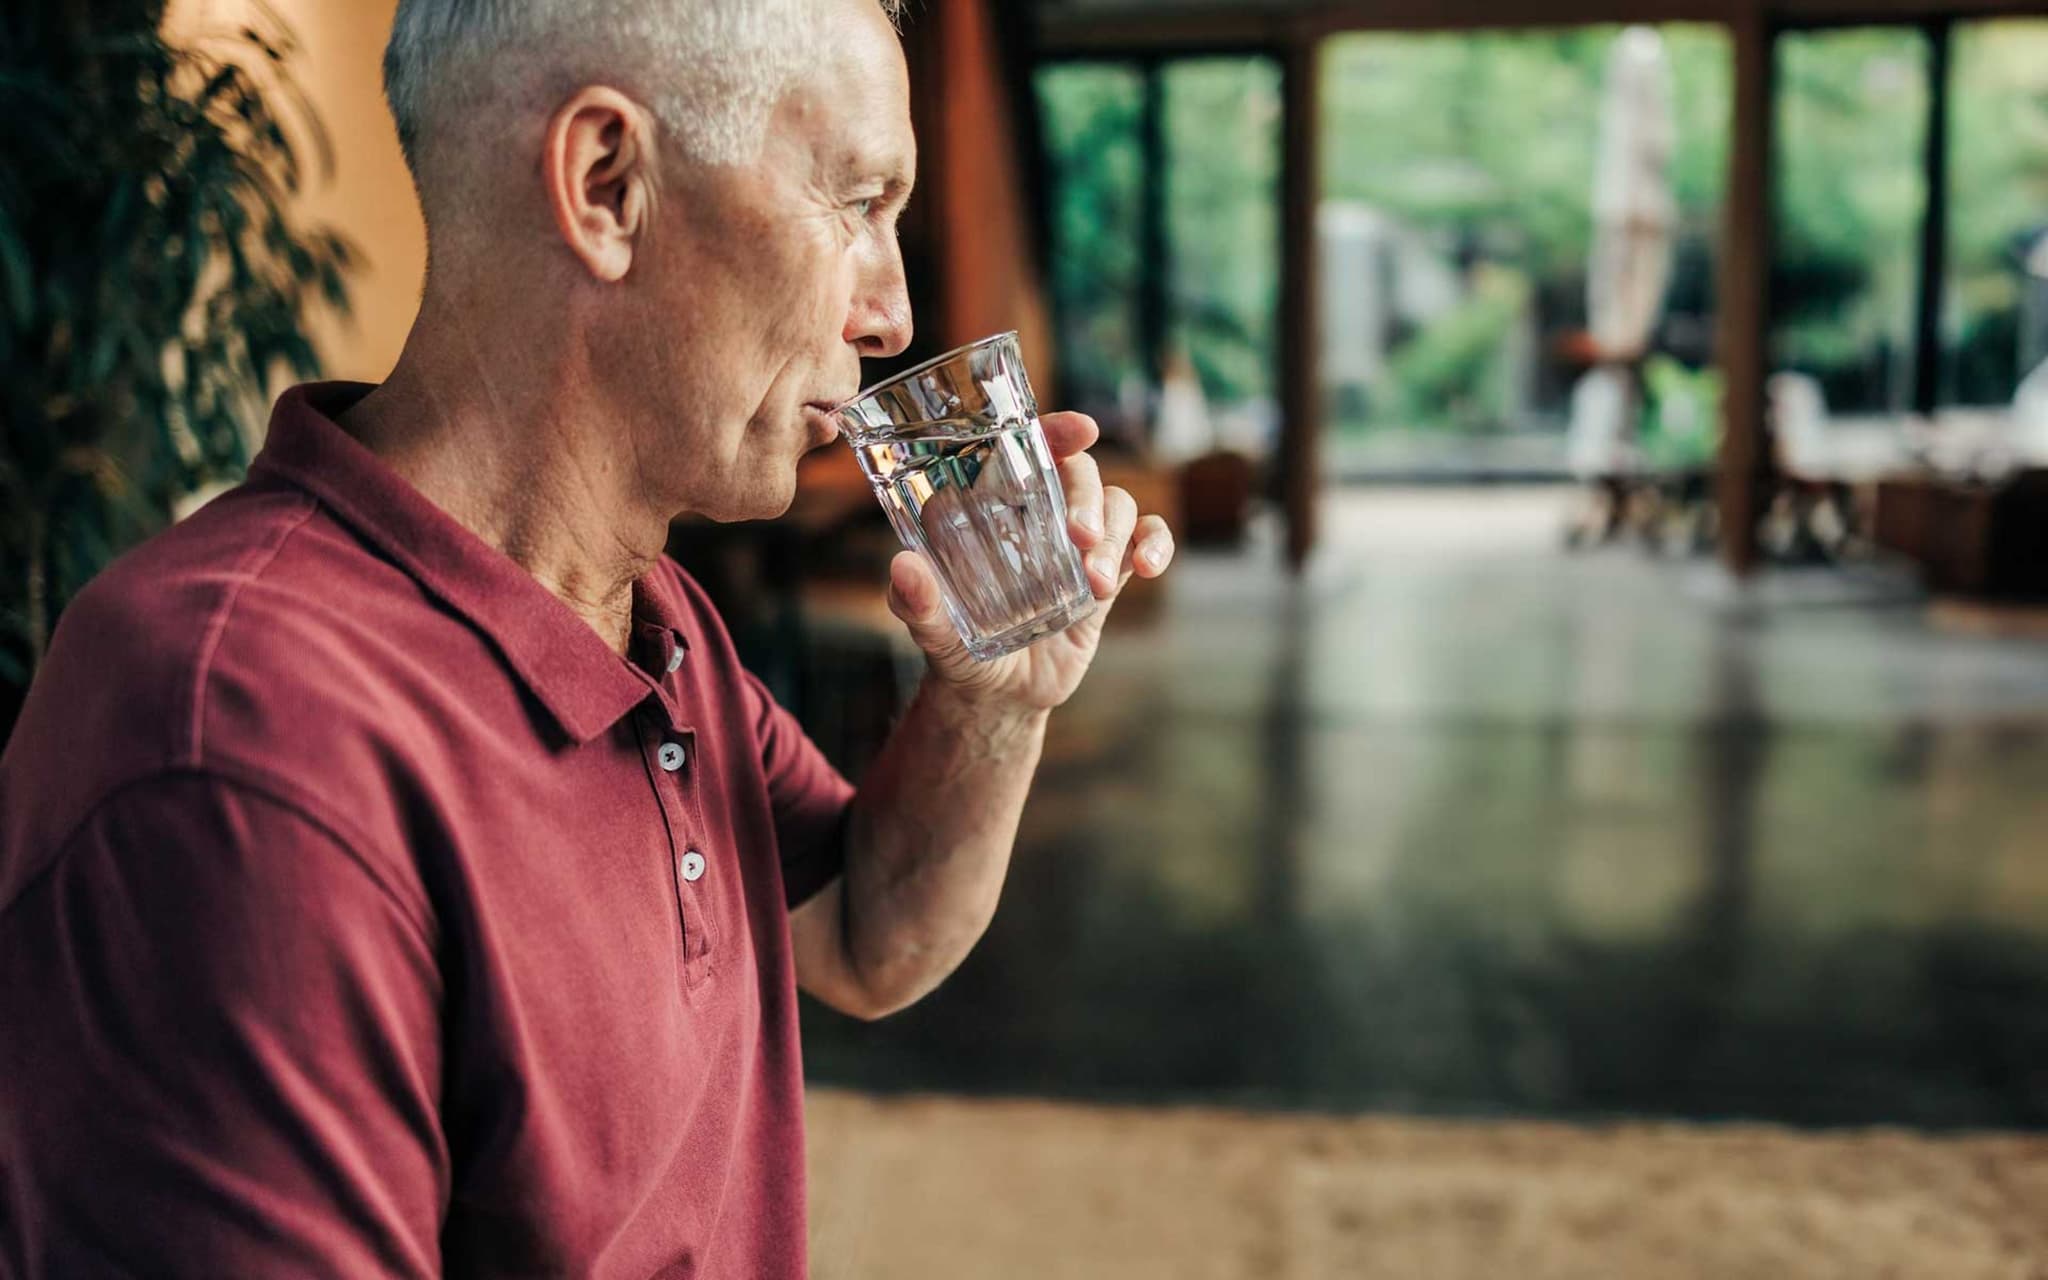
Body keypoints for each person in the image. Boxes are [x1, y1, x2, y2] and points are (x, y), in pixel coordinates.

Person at [0, 0, 1174, 1273]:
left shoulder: (653, 615)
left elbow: (865, 931)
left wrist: (991, 702)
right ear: (607, 185)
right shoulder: (233, 736)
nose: (891, 313)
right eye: (855, 203)